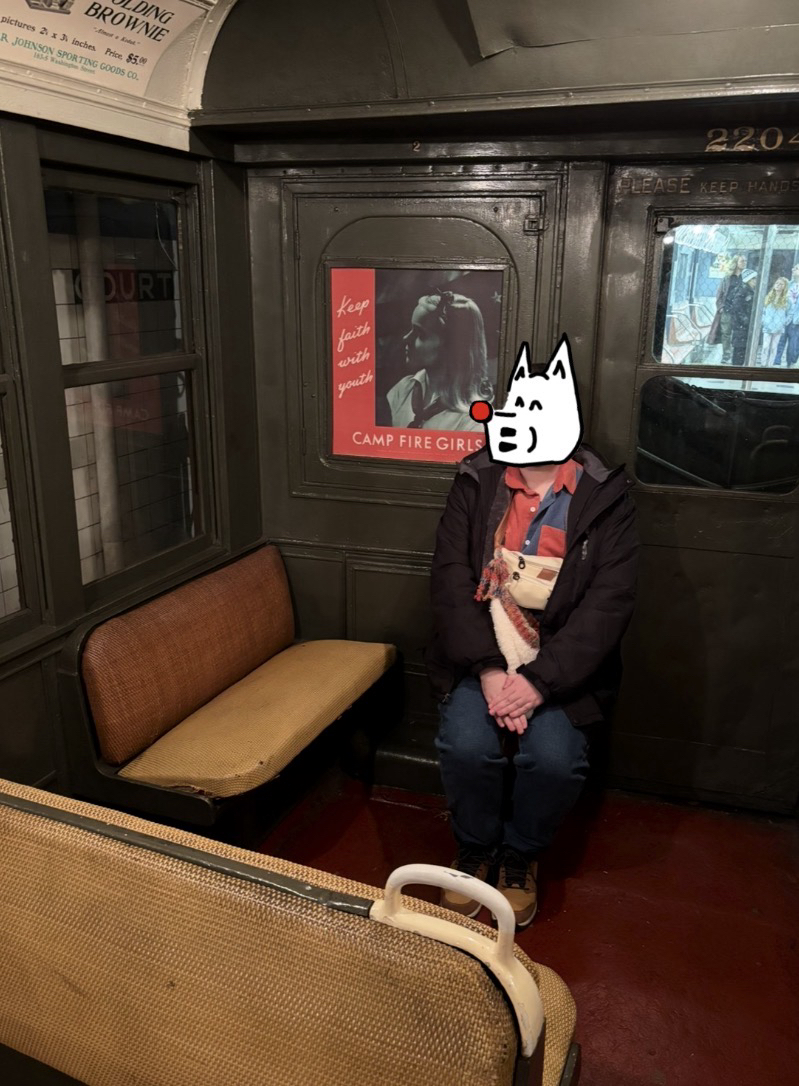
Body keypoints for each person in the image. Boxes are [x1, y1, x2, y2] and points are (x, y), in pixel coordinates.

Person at [425, 400, 638, 928]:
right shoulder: (477, 479)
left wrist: (538, 683)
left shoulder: (604, 495)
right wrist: (490, 671)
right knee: (467, 746)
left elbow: (609, 604)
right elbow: (451, 579)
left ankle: (521, 853)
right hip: (482, 653)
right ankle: (475, 847)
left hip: (563, 667)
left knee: (554, 761)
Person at [385, 291, 493, 430]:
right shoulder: (402, 390)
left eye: (420, 333)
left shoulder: (474, 421)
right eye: (411, 329)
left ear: (452, 346)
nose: (406, 338)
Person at [707, 254, 747, 363]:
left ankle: (737, 353)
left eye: (745, 261)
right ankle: (726, 354)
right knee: (726, 333)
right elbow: (719, 294)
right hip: (727, 309)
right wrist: (721, 307)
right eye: (742, 261)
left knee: (738, 333)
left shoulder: (745, 278)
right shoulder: (727, 278)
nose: (744, 263)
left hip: (740, 310)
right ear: (736, 263)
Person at [730, 268, 757, 366]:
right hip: (741, 326)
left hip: (744, 325)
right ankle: (737, 368)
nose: (755, 281)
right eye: (754, 279)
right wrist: (746, 321)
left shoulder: (750, 290)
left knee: (743, 349)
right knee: (739, 349)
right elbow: (737, 308)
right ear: (748, 279)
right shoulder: (743, 290)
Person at [760, 277, 790, 367]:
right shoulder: (768, 298)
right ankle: (763, 363)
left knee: (774, 347)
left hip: (778, 327)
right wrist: (763, 321)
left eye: (781, 284)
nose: (778, 285)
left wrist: (784, 322)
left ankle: (770, 364)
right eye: (777, 283)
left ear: (785, 287)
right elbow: (762, 311)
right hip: (767, 325)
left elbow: (790, 313)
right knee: (765, 346)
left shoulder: (787, 300)